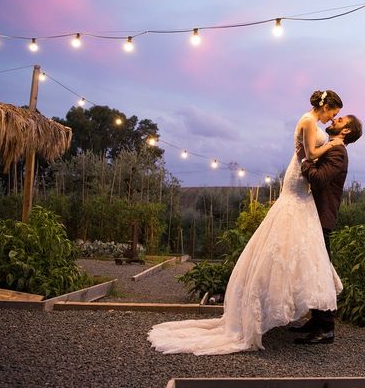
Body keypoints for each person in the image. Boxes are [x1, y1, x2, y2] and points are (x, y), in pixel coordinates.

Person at [147, 90, 346, 355]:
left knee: (303, 247)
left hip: (299, 184)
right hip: (298, 181)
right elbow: (309, 153)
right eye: (334, 112)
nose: (335, 117)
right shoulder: (309, 121)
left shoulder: (313, 123)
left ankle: (316, 319)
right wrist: (331, 145)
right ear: (327, 106)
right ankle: (314, 320)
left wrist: (329, 148)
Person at [291, 114, 363, 345]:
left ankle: (326, 328)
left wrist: (304, 163)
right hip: (313, 216)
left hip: (321, 218)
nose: (334, 120)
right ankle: (317, 320)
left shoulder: (338, 153)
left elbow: (319, 180)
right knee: (314, 269)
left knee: (320, 271)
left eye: (340, 120)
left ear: (346, 131)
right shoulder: (331, 148)